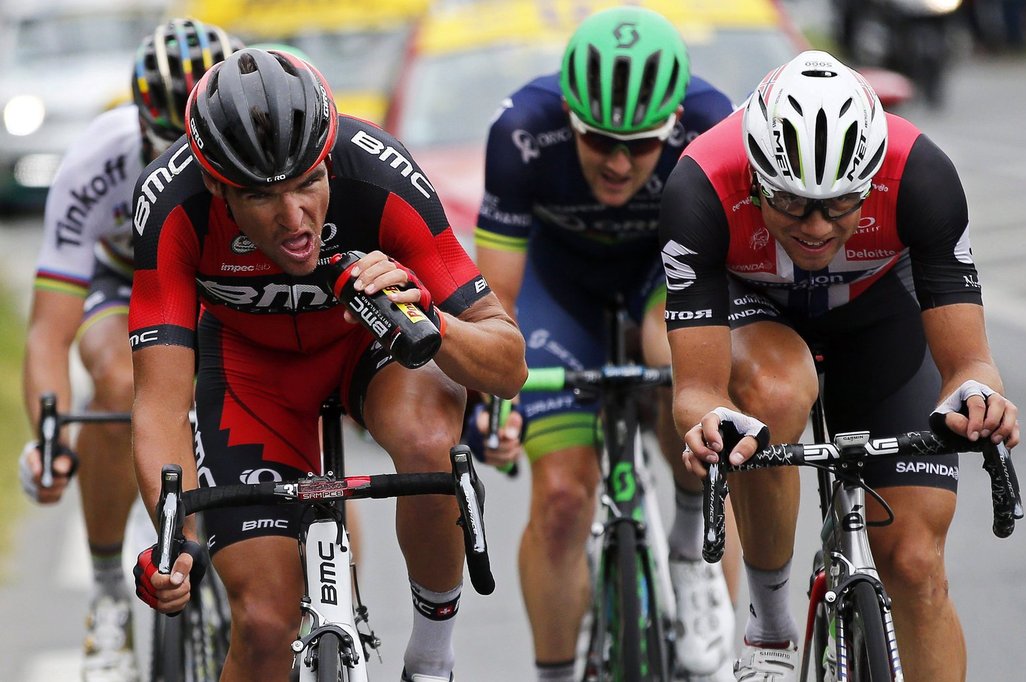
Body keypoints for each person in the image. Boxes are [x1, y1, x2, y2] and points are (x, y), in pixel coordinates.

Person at [128, 47, 526, 682]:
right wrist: (171, 541)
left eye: (309, 183)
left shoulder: (378, 173)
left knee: (428, 441)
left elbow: (507, 366)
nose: (295, 219)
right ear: (215, 185)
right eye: (263, 196)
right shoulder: (171, 204)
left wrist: (426, 316)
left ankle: (431, 658)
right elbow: (159, 404)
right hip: (249, 372)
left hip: (371, 354)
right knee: (262, 626)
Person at [658, 49, 1020, 682]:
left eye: (842, 204)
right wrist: (711, 423)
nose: (818, 227)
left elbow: (970, 365)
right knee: (769, 395)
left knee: (913, 562)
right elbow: (697, 390)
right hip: (757, 310)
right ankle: (770, 634)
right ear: (755, 178)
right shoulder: (701, 184)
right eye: (792, 204)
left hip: (880, 318)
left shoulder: (921, 175)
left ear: (874, 176)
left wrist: (978, 399)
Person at [471, 7, 739, 681]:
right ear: (569, 116)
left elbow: (740, 267)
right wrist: (490, 401)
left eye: (642, 145)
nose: (620, 164)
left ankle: (689, 545)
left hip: (663, 277)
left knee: (673, 366)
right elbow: (494, 299)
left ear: (674, 124)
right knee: (562, 498)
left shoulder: (715, 126)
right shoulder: (521, 131)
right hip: (557, 292)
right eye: (599, 142)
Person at [18, 18, 239, 681]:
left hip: (219, 279)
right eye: (167, 143)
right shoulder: (96, 159)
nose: (180, 166)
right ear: (141, 120)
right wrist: (50, 435)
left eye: (198, 148)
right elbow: (48, 330)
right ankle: (111, 588)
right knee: (119, 382)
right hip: (124, 282)